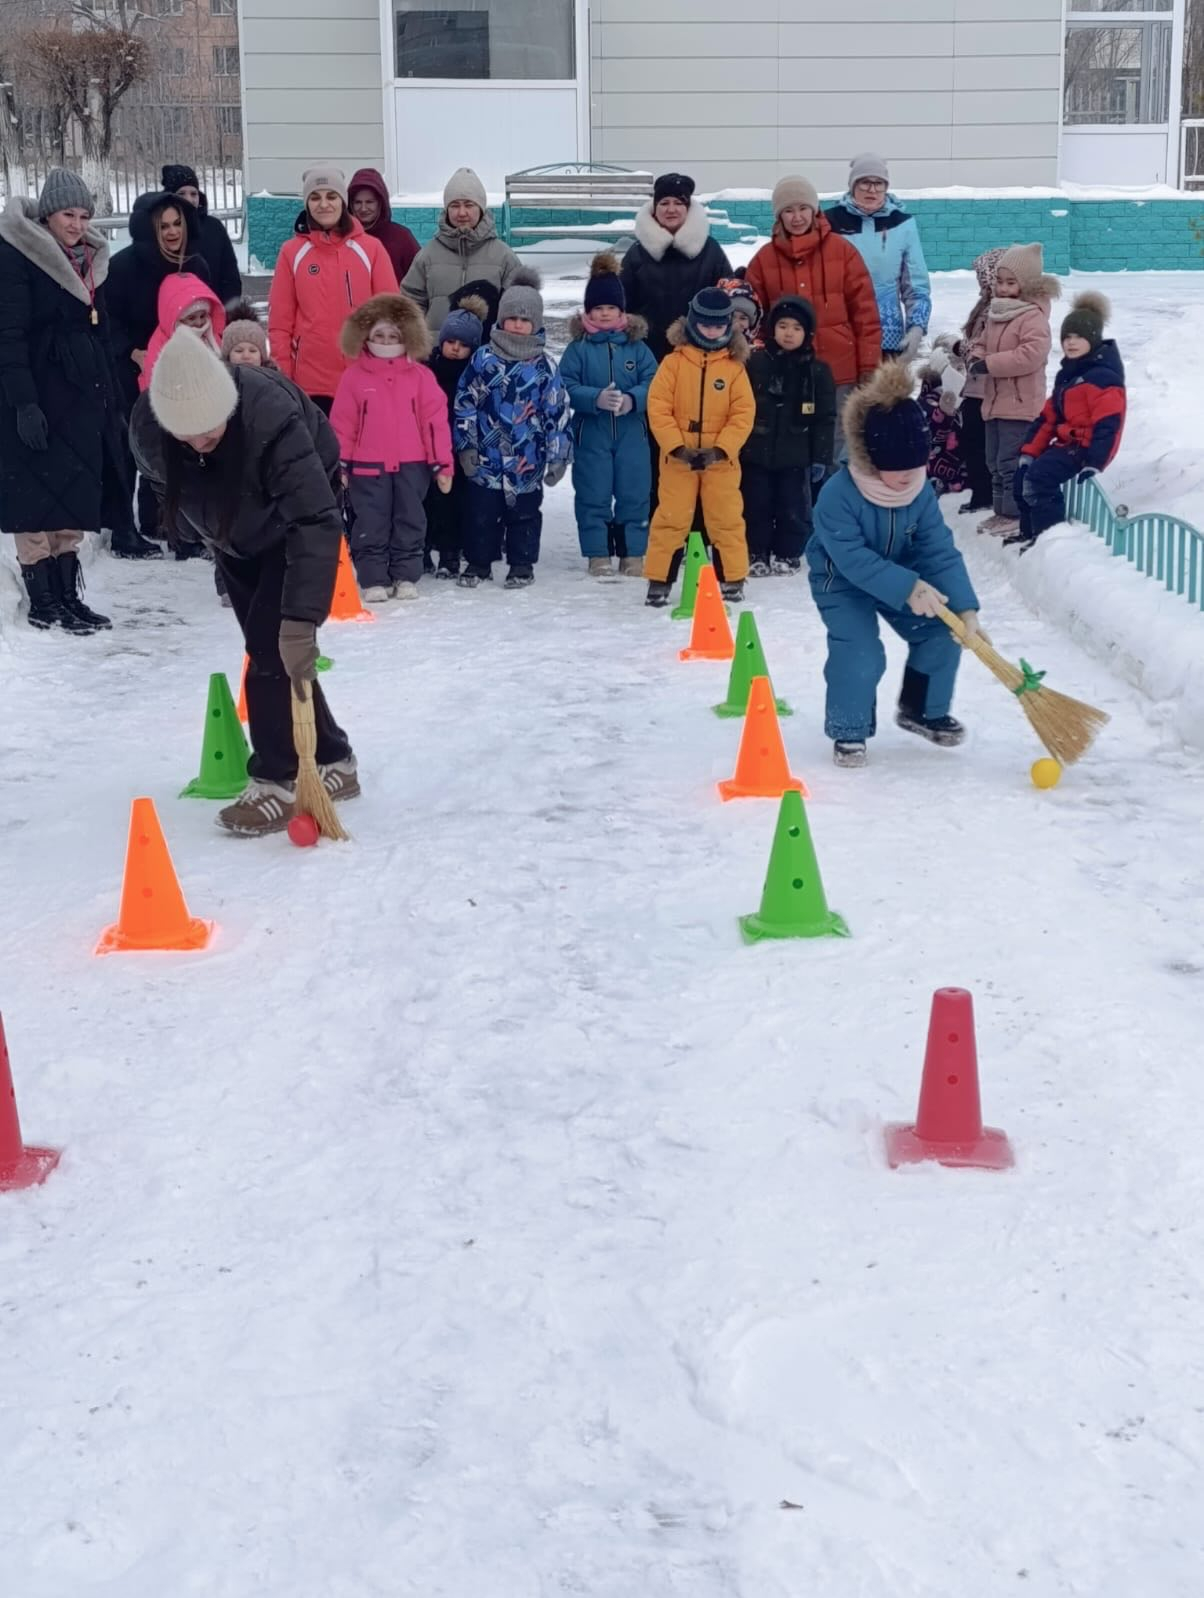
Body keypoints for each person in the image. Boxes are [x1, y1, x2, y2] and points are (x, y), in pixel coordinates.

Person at [131, 328, 359, 837]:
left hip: (291, 520)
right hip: (233, 534)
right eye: (185, 434)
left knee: (274, 645)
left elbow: (314, 519)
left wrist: (302, 617)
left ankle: (276, 780)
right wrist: (215, 537)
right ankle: (335, 759)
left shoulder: (269, 417)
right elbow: (172, 492)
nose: (197, 442)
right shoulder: (148, 430)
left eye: (208, 431)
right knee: (273, 650)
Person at [807, 361, 984, 769]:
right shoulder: (838, 494)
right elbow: (851, 559)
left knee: (942, 634)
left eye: (914, 465)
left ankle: (922, 709)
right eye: (896, 466)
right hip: (842, 581)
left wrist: (965, 608)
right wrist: (908, 587)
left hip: (902, 573)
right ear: (871, 458)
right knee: (861, 651)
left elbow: (938, 549)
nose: (907, 476)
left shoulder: (919, 492)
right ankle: (849, 729)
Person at [0, 167, 125, 633]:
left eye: (84, 216)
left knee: (72, 489)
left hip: (80, 393)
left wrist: (110, 393)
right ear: (48, 214)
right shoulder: (18, 253)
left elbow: (102, 329)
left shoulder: (90, 260)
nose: (76, 224)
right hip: (36, 389)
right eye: (68, 214)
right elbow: (9, 335)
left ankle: (69, 596)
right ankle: (43, 599)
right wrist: (23, 404)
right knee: (33, 494)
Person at [107, 188, 213, 555]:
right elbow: (108, 319)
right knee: (132, 445)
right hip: (133, 366)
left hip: (182, 365)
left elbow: (206, 311)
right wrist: (131, 351)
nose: (171, 232)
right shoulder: (123, 267)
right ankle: (124, 529)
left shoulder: (195, 265)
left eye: (177, 224)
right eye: (163, 226)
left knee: (177, 444)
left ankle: (169, 522)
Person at [745, 176, 881, 460]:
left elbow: (865, 314)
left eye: (803, 208)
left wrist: (868, 366)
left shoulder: (843, 252)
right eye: (788, 210)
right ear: (779, 216)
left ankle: (829, 490)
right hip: (785, 373)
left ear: (814, 210)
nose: (797, 217)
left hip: (839, 371)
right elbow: (753, 321)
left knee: (836, 444)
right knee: (791, 445)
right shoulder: (764, 260)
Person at [330, 293, 452, 602]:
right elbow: (343, 425)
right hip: (367, 466)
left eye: (393, 335)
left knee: (410, 519)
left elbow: (434, 423)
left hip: (412, 464)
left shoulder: (421, 377)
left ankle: (405, 575)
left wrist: (442, 463)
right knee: (371, 522)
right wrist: (340, 464)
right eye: (379, 335)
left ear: (407, 336)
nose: (385, 341)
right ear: (365, 336)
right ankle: (374, 578)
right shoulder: (353, 378)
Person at [453, 272, 571, 589]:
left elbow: (557, 413)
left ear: (536, 323)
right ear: (501, 319)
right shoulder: (483, 359)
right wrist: (466, 445)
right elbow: (465, 402)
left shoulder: (544, 367)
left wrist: (558, 456)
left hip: (526, 461)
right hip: (487, 461)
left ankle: (521, 564)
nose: (517, 325)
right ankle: (479, 563)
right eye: (511, 318)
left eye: (524, 319)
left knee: (525, 516)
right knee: (481, 515)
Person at [644, 287, 754, 607]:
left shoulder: (734, 368)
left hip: (720, 461)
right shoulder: (673, 363)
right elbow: (658, 408)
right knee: (671, 518)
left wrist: (721, 450)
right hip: (679, 458)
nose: (712, 331)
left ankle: (732, 578)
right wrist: (677, 447)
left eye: (718, 326)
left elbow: (743, 414)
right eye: (705, 325)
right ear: (693, 323)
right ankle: (659, 580)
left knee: (726, 518)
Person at [558, 251, 658, 579]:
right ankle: (598, 553)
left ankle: (632, 553)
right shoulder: (579, 348)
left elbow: (655, 383)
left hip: (632, 435)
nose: (604, 313)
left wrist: (633, 399)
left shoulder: (637, 348)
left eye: (610, 308)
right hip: (592, 434)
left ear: (621, 311)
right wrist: (594, 399)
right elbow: (565, 386)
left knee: (634, 494)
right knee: (593, 494)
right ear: (588, 311)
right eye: (598, 308)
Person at [268, 165, 398, 412]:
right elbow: (280, 324)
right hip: (309, 385)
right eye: (315, 197)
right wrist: (283, 376)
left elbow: (391, 316)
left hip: (363, 377)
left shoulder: (371, 249)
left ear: (343, 202)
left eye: (331, 196)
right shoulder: (291, 252)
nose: (324, 204)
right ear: (307, 204)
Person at [1010, 291, 1125, 551]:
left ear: (1093, 339)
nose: (1071, 343)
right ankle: (1030, 534)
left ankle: (1050, 540)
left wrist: (1095, 461)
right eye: (1067, 337)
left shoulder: (1103, 378)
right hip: (1065, 445)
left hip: (1083, 448)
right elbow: (1048, 418)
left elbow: (1109, 424)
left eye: (1079, 337)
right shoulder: (1069, 374)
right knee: (1023, 477)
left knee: (1039, 479)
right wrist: (1029, 452)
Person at [967, 241, 1057, 537]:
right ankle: (1000, 510)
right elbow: (981, 342)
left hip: (1020, 405)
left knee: (1010, 462)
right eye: (1000, 281)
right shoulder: (997, 312)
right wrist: (976, 356)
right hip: (995, 401)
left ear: (1026, 284)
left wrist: (990, 364)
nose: (1003, 288)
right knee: (993, 461)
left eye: (1011, 282)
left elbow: (1030, 355)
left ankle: (1014, 512)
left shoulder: (1033, 316)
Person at [741, 295, 836, 577]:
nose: (789, 333)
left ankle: (787, 552)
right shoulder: (754, 362)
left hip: (796, 454)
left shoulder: (817, 371)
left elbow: (825, 418)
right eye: (783, 326)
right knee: (755, 504)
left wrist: (820, 457)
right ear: (772, 329)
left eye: (796, 328)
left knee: (793, 507)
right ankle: (756, 551)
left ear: (807, 333)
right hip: (755, 452)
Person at [825, 153, 930, 361]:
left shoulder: (902, 223)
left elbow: (916, 286)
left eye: (879, 183)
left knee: (885, 384)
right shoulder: (830, 222)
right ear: (853, 185)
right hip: (842, 334)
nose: (872, 190)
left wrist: (917, 327)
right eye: (865, 182)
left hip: (888, 338)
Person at [619, 173, 732, 363]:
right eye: (664, 203)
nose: (671, 209)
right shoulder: (637, 253)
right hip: (647, 353)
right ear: (655, 209)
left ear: (688, 208)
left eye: (678, 203)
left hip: (700, 350)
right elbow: (621, 302)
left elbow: (728, 298)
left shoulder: (710, 250)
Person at [402, 167, 522, 334]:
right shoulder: (427, 256)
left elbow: (519, 306)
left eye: (469, 205)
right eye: (455, 205)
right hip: (435, 346)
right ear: (447, 210)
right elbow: (410, 303)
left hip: (488, 347)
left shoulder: (504, 256)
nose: (462, 213)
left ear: (481, 208)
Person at [424, 294, 487, 580]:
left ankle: (451, 554)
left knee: (456, 501)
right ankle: (423, 550)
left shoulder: (475, 374)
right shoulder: (428, 369)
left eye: (463, 345)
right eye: (450, 342)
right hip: (430, 445)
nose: (455, 349)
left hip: (462, 446)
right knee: (427, 501)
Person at [955, 247, 1003, 516]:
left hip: (985, 387)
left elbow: (983, 346)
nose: (979, 281)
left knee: (978, 444)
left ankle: (984, 494)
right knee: (973, 442)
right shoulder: (985, 305)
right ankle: (981, 492)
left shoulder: (996, 309)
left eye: (981, 275)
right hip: (975, 384)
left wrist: (958, 348)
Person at [161, 162, 242, 303]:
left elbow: (230, 277)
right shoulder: (162, 230)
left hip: (213, 309)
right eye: (181, 193)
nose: (189, 199)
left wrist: (227, 310)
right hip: (174, 311)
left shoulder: (214, 227)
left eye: (194, 193)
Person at [141, 273, 225, 392]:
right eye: (191, 318)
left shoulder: (210, 336)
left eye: (202, 316)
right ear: (177, 318)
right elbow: (154, 378)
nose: (199, 322)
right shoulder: (162, 342)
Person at [917, 341, 969, 499]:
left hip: (940, 449)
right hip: (943, 448)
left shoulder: (924, 401)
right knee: (937, 427)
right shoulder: (928, 399)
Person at [348, 168, 420, 283]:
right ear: (350, 205)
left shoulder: (402, 238)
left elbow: (419, 279)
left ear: (381, 203)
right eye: (358, 202)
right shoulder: (343, 238)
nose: (363, 208)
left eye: (370, 202)